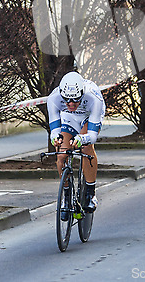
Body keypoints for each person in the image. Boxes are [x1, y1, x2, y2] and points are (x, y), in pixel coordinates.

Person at [47, 71, 106, 217]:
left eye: (75, 100)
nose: (71, 104)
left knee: (86, 148)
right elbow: (54, 130)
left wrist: (81, 139)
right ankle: (66, 196)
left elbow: (92, 136)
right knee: (61, 155)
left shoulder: (94, 98)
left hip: (88, 116)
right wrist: (55, 137)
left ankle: (90, 193)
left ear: (82, 94)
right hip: (68, 118)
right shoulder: (54, 98)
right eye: (67, 101)